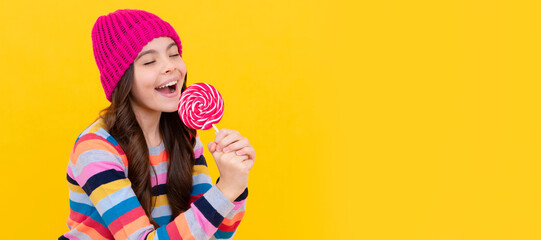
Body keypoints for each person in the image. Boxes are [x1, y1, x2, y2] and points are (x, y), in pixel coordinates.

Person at [59, 9, 256, 240]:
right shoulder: (96, 148)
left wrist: (235, 184)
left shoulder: (185, 137)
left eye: (173, 54)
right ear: (122, 78)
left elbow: (215, 236)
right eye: (150, 61)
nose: (170, 66)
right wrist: (224, 192)